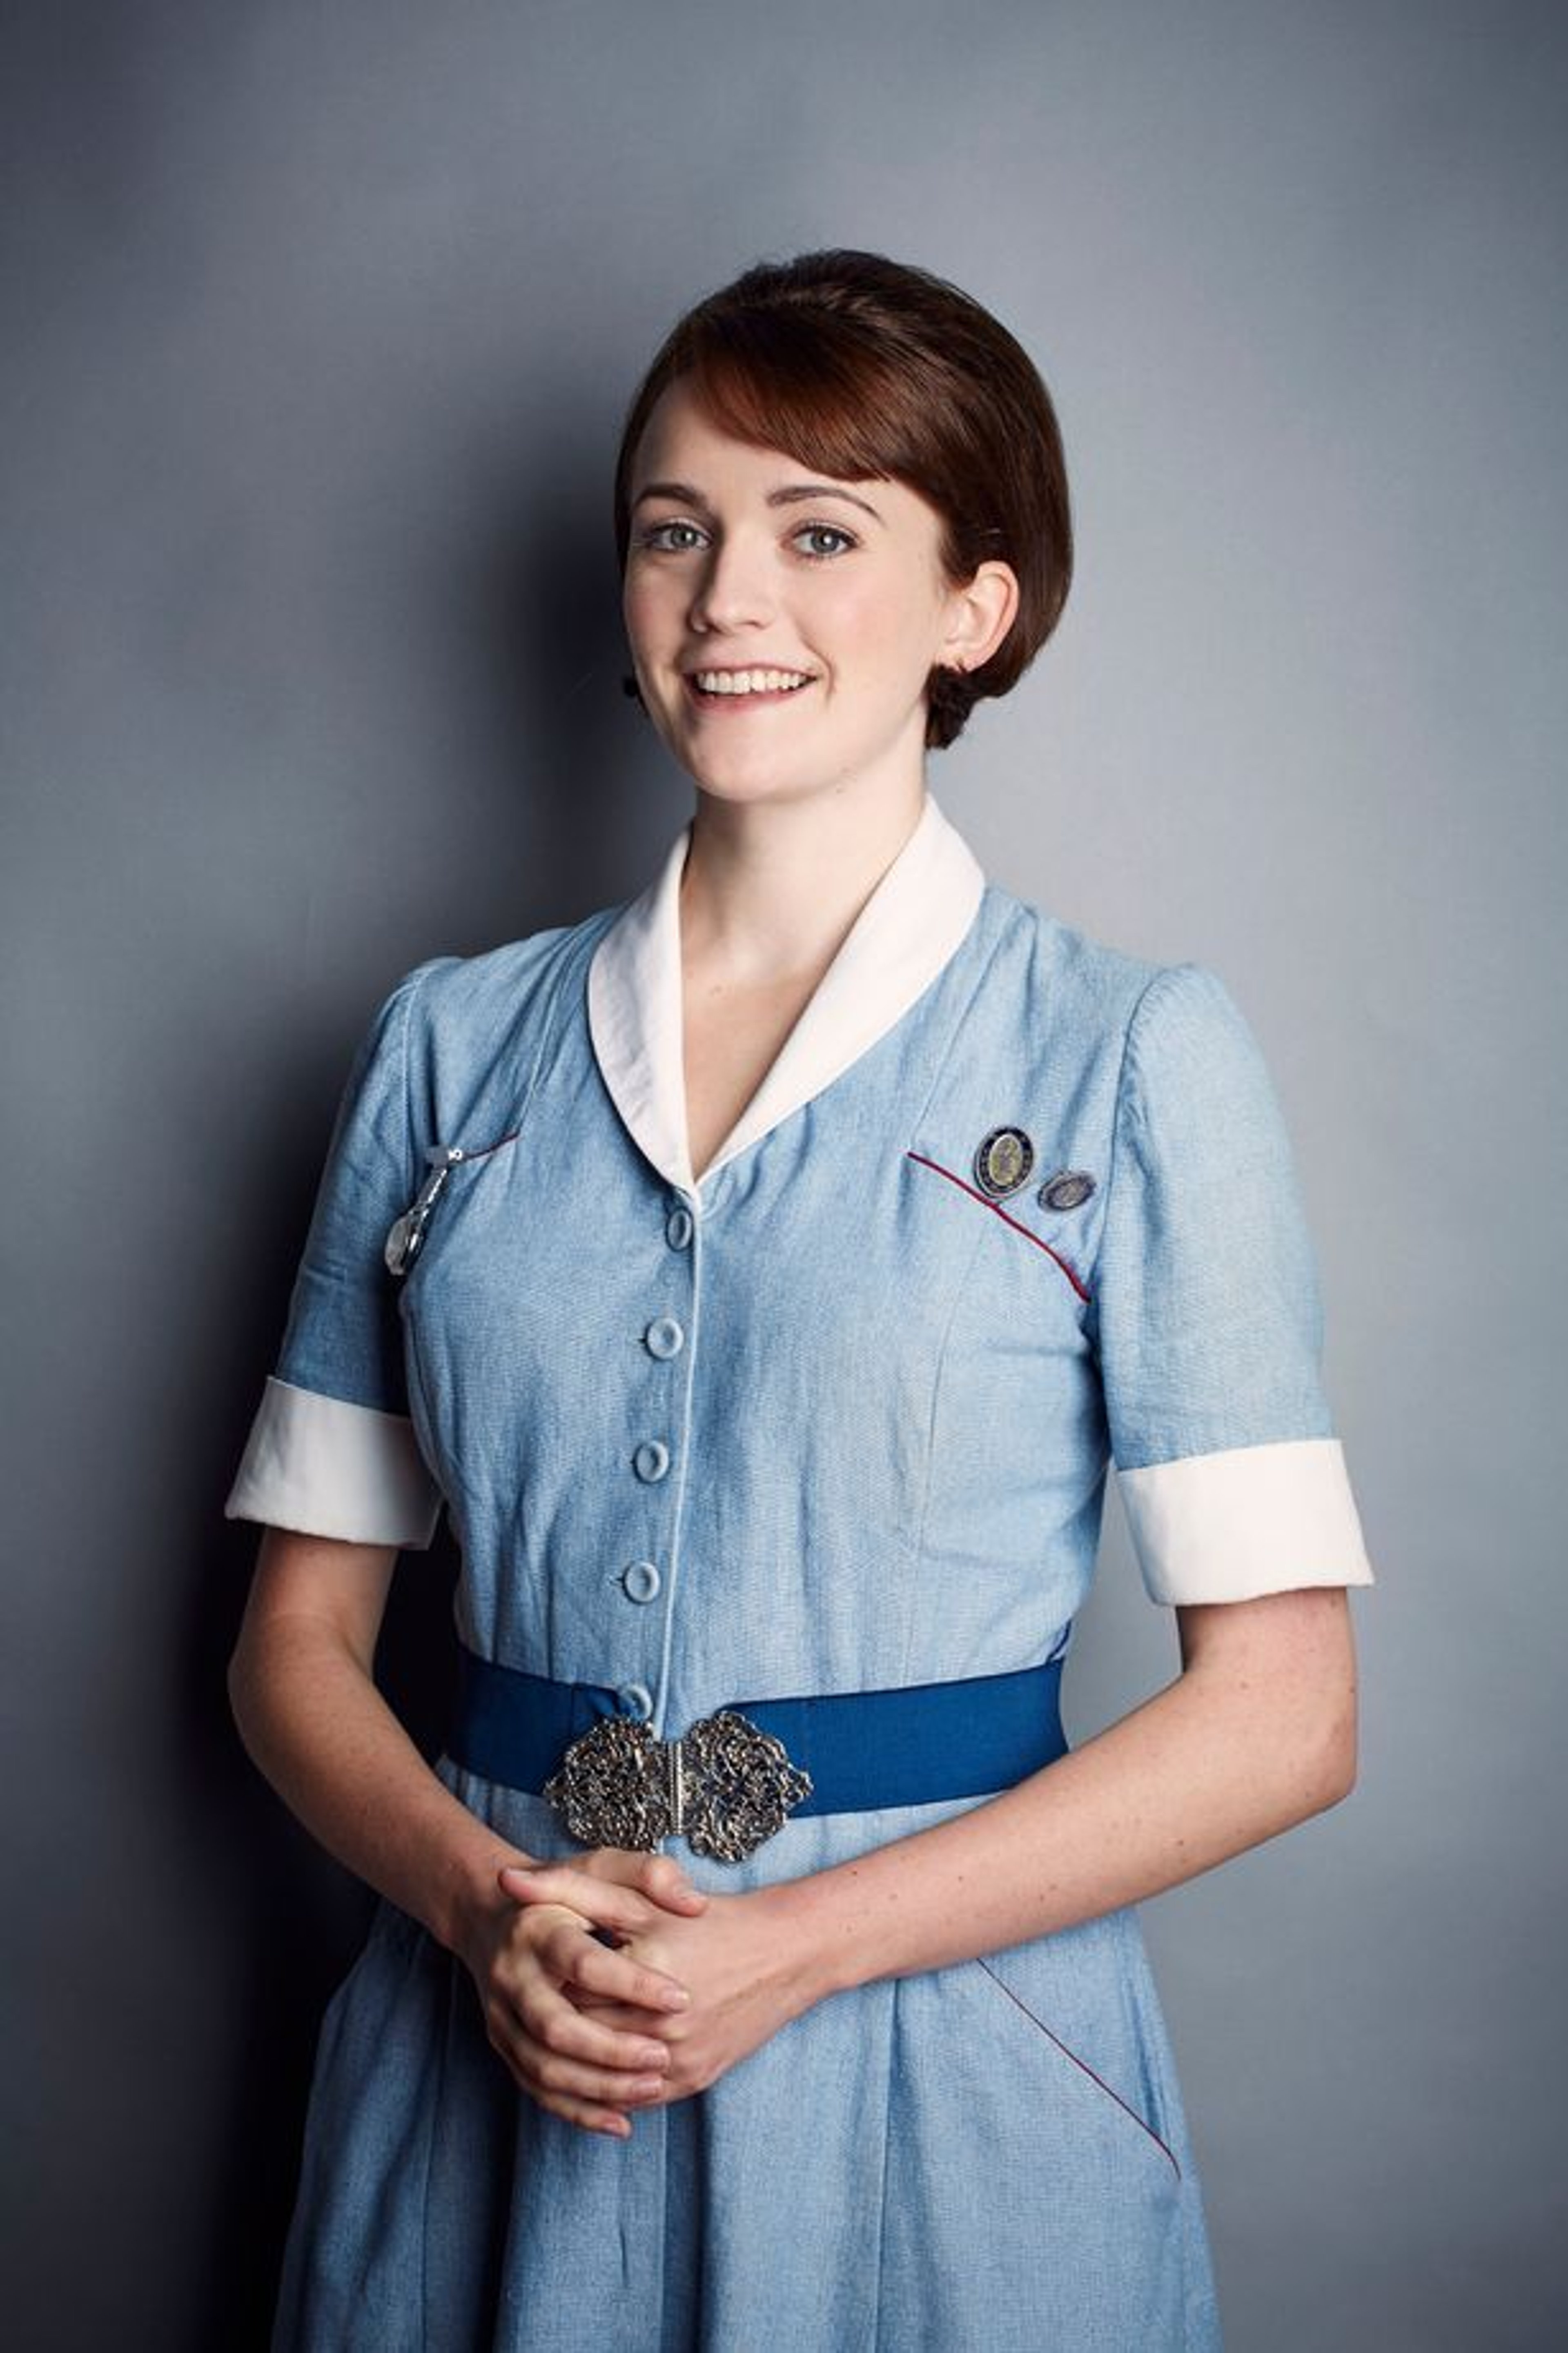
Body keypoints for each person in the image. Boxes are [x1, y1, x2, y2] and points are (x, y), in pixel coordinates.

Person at [225, 248, 1374, 2352]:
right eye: (676, 531)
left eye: (820, 533)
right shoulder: (445, 1053)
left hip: (945, 2071)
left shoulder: (1128, 1056)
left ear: (974, 610)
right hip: (491, 2040)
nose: (727, 598)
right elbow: (295, 1645)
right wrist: (483, 1910)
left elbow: (1288, 1715)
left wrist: (797, 1945)